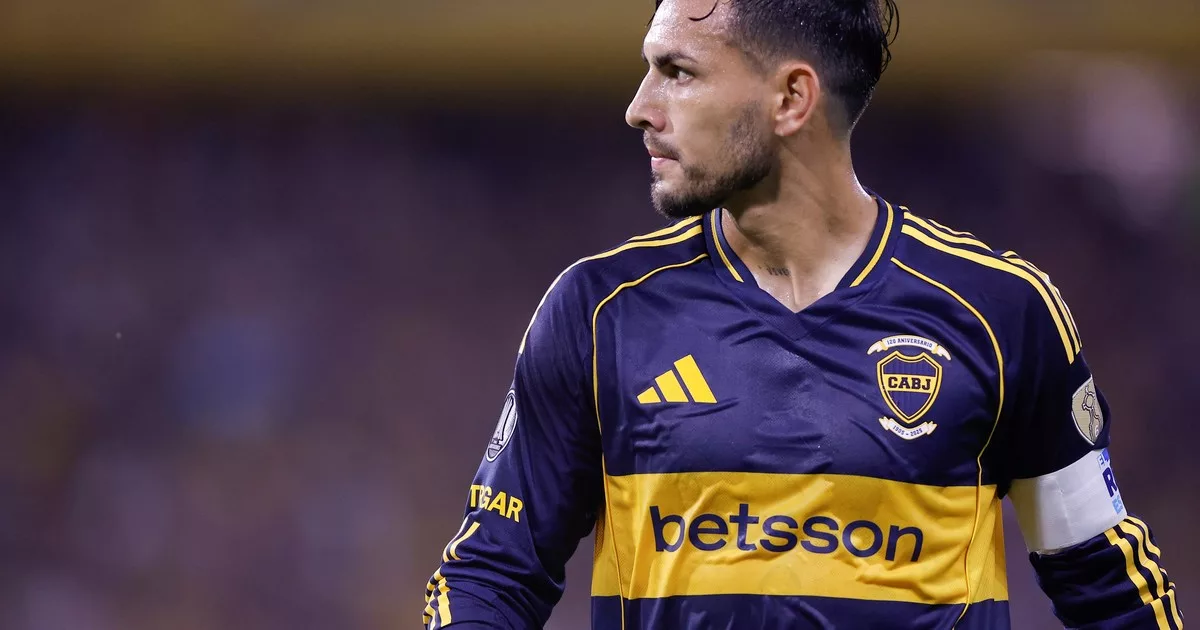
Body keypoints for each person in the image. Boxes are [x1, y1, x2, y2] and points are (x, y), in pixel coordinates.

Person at [423, 0, 1183, 628]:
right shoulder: (599, 312)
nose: (639, 109)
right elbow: (492, 576)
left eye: (678, 73)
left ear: (791, 99)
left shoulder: (1001, 313)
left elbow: (1109, 590)